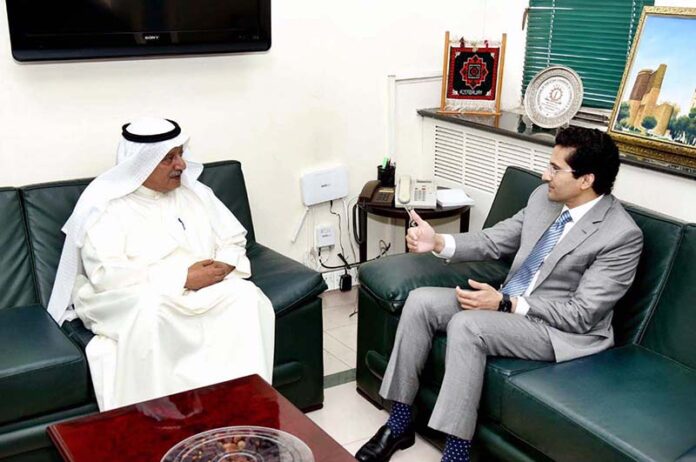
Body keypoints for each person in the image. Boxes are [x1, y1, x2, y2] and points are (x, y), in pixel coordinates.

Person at [355, 127, 643, 462]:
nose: (544, 175)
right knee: (420, 302)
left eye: (555, 169)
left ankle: (456, 454)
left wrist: (506, 303)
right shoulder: (543, 199)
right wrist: (438, 242)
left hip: (561, 331)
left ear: (586, 180)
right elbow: (495, 240)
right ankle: (400, 421)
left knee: (468, 325)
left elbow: (581, 314)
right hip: (510, 303)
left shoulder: (621, 235)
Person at [47, 117, 275, 411]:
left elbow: (233, 238)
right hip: (132, 295)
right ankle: (163, 420)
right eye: (169, 158)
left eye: (180, 154)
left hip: (202, 288)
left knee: (246, 297)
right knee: (152, 312)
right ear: (140, 163)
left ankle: (243, 406)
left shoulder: (195, 194)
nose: (181, 164)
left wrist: (223, 265)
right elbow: (107, 275)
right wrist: (182, 278)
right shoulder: (106, 206)